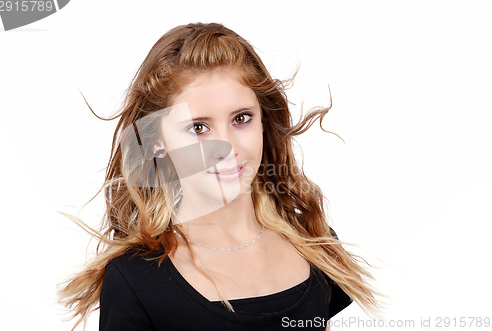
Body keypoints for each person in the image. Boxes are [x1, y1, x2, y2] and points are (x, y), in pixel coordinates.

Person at [59, 22, 381, 330]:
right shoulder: (135, 279)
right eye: (198, 128)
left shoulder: (314, 243)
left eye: (242, 118)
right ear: (157, 141)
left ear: (263, 122)